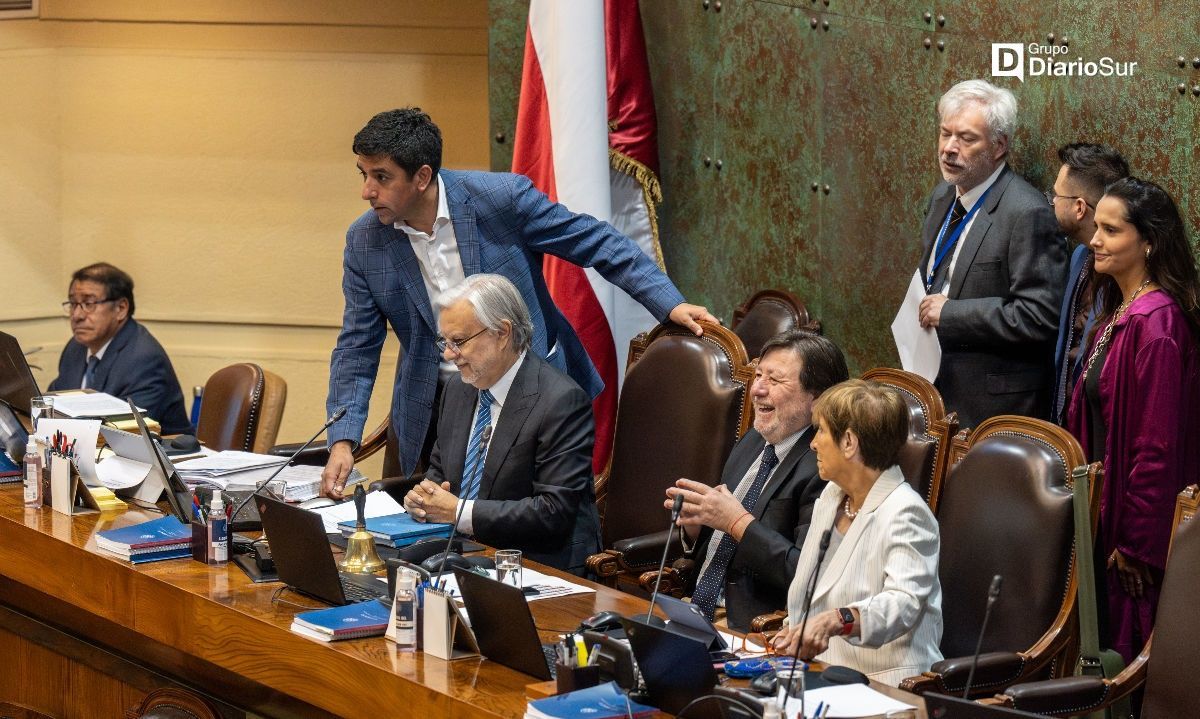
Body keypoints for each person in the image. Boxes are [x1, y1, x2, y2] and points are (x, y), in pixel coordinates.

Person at [322, 108, 715, 498]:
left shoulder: (501, 200)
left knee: (533, 522)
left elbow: (596, 241)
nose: (367, 191)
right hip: (437, 406)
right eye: (364, 174)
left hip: (529, 390)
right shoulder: (365, 241)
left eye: (381, 177)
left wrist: (668, 304)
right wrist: (343, 439)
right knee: (440, 530)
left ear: (422, 177)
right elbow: (357, 346)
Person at [1066, 177, 1200, 664]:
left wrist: (1138, 545)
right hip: (1103, 517)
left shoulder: (1158, 322)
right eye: (1096, 226)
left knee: (1126, 658)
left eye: (1110, 230)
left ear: (1148, 241)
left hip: (1133, 540)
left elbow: (1157, 445)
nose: (1095, 240)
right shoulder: (1119, 309)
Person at [402, 274, 600, 574]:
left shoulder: (561, 401)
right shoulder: (458, 388)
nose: (447, 354)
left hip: (538, 565)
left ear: (502, 333)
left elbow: (552, 513)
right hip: (463, 557)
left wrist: (456, 511)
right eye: (445, 341)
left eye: (459, 342)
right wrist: (423, 498)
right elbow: (440, 474)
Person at [663, 331, 849, 632]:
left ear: (818, 398)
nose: (757, 390)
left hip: (755, 628)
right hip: (692, 609)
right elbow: (724, 543)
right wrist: (699, 527)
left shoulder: (825, 466)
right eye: (757, 375)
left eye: (774, 381)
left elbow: (806, 575)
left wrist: (737, 522)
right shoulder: (753, 441)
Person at [914, 80, 1067, 428]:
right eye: (945, 134)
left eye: (966, 139)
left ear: (999, 146)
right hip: (936, 389)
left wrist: (952, 314)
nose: (949, 149)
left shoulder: (1027, 213)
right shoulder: (943, 196)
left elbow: (1038, 316)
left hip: (994, 407)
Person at [773, 379, 942, 687]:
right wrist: (793, 630)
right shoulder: (832, 496)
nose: (813, 443)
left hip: (883, 684)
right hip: (817, 670)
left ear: (849, 442)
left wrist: (839, 619)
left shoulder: (906, 512)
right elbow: (812, 588)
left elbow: (902, 605)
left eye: (821, 430)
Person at [48, 263, 191, 435]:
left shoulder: (144, 359)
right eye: (73, 303)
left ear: (121, 309)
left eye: (89, 303)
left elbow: (123, 432)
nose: (77, 315)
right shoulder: (76, 348)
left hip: (159, 457)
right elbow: (51, 406)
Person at [1049, 144, 1129, 425]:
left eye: (1056, 196)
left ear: (1079, 207)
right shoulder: (1080, 256)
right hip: (1066, 422)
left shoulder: (1125, 273)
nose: (1052, 202)